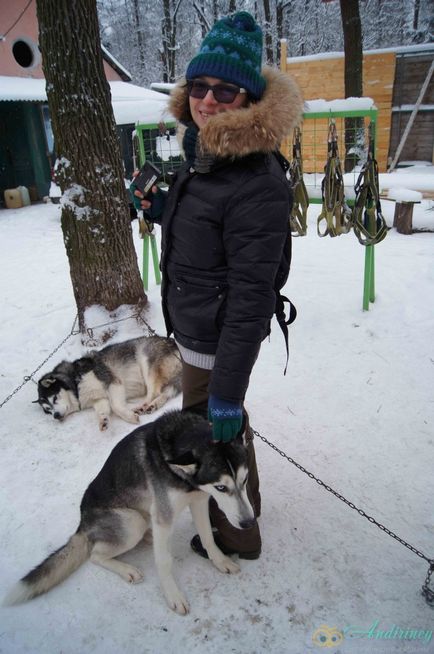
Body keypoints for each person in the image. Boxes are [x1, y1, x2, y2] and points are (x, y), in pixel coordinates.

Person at [132, 11, 303, 560]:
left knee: (217, 435)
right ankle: (244, 505)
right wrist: (163, 208)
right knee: (224, 430)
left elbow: (252, 294)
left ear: (249, 99)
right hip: (197, 326)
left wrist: (228, 387)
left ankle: (237, 535)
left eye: (225, 90)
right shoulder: (206, 157)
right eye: (200, 86)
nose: (208, 100)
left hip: (217, 339)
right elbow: (210, 235)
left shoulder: (255, 178)